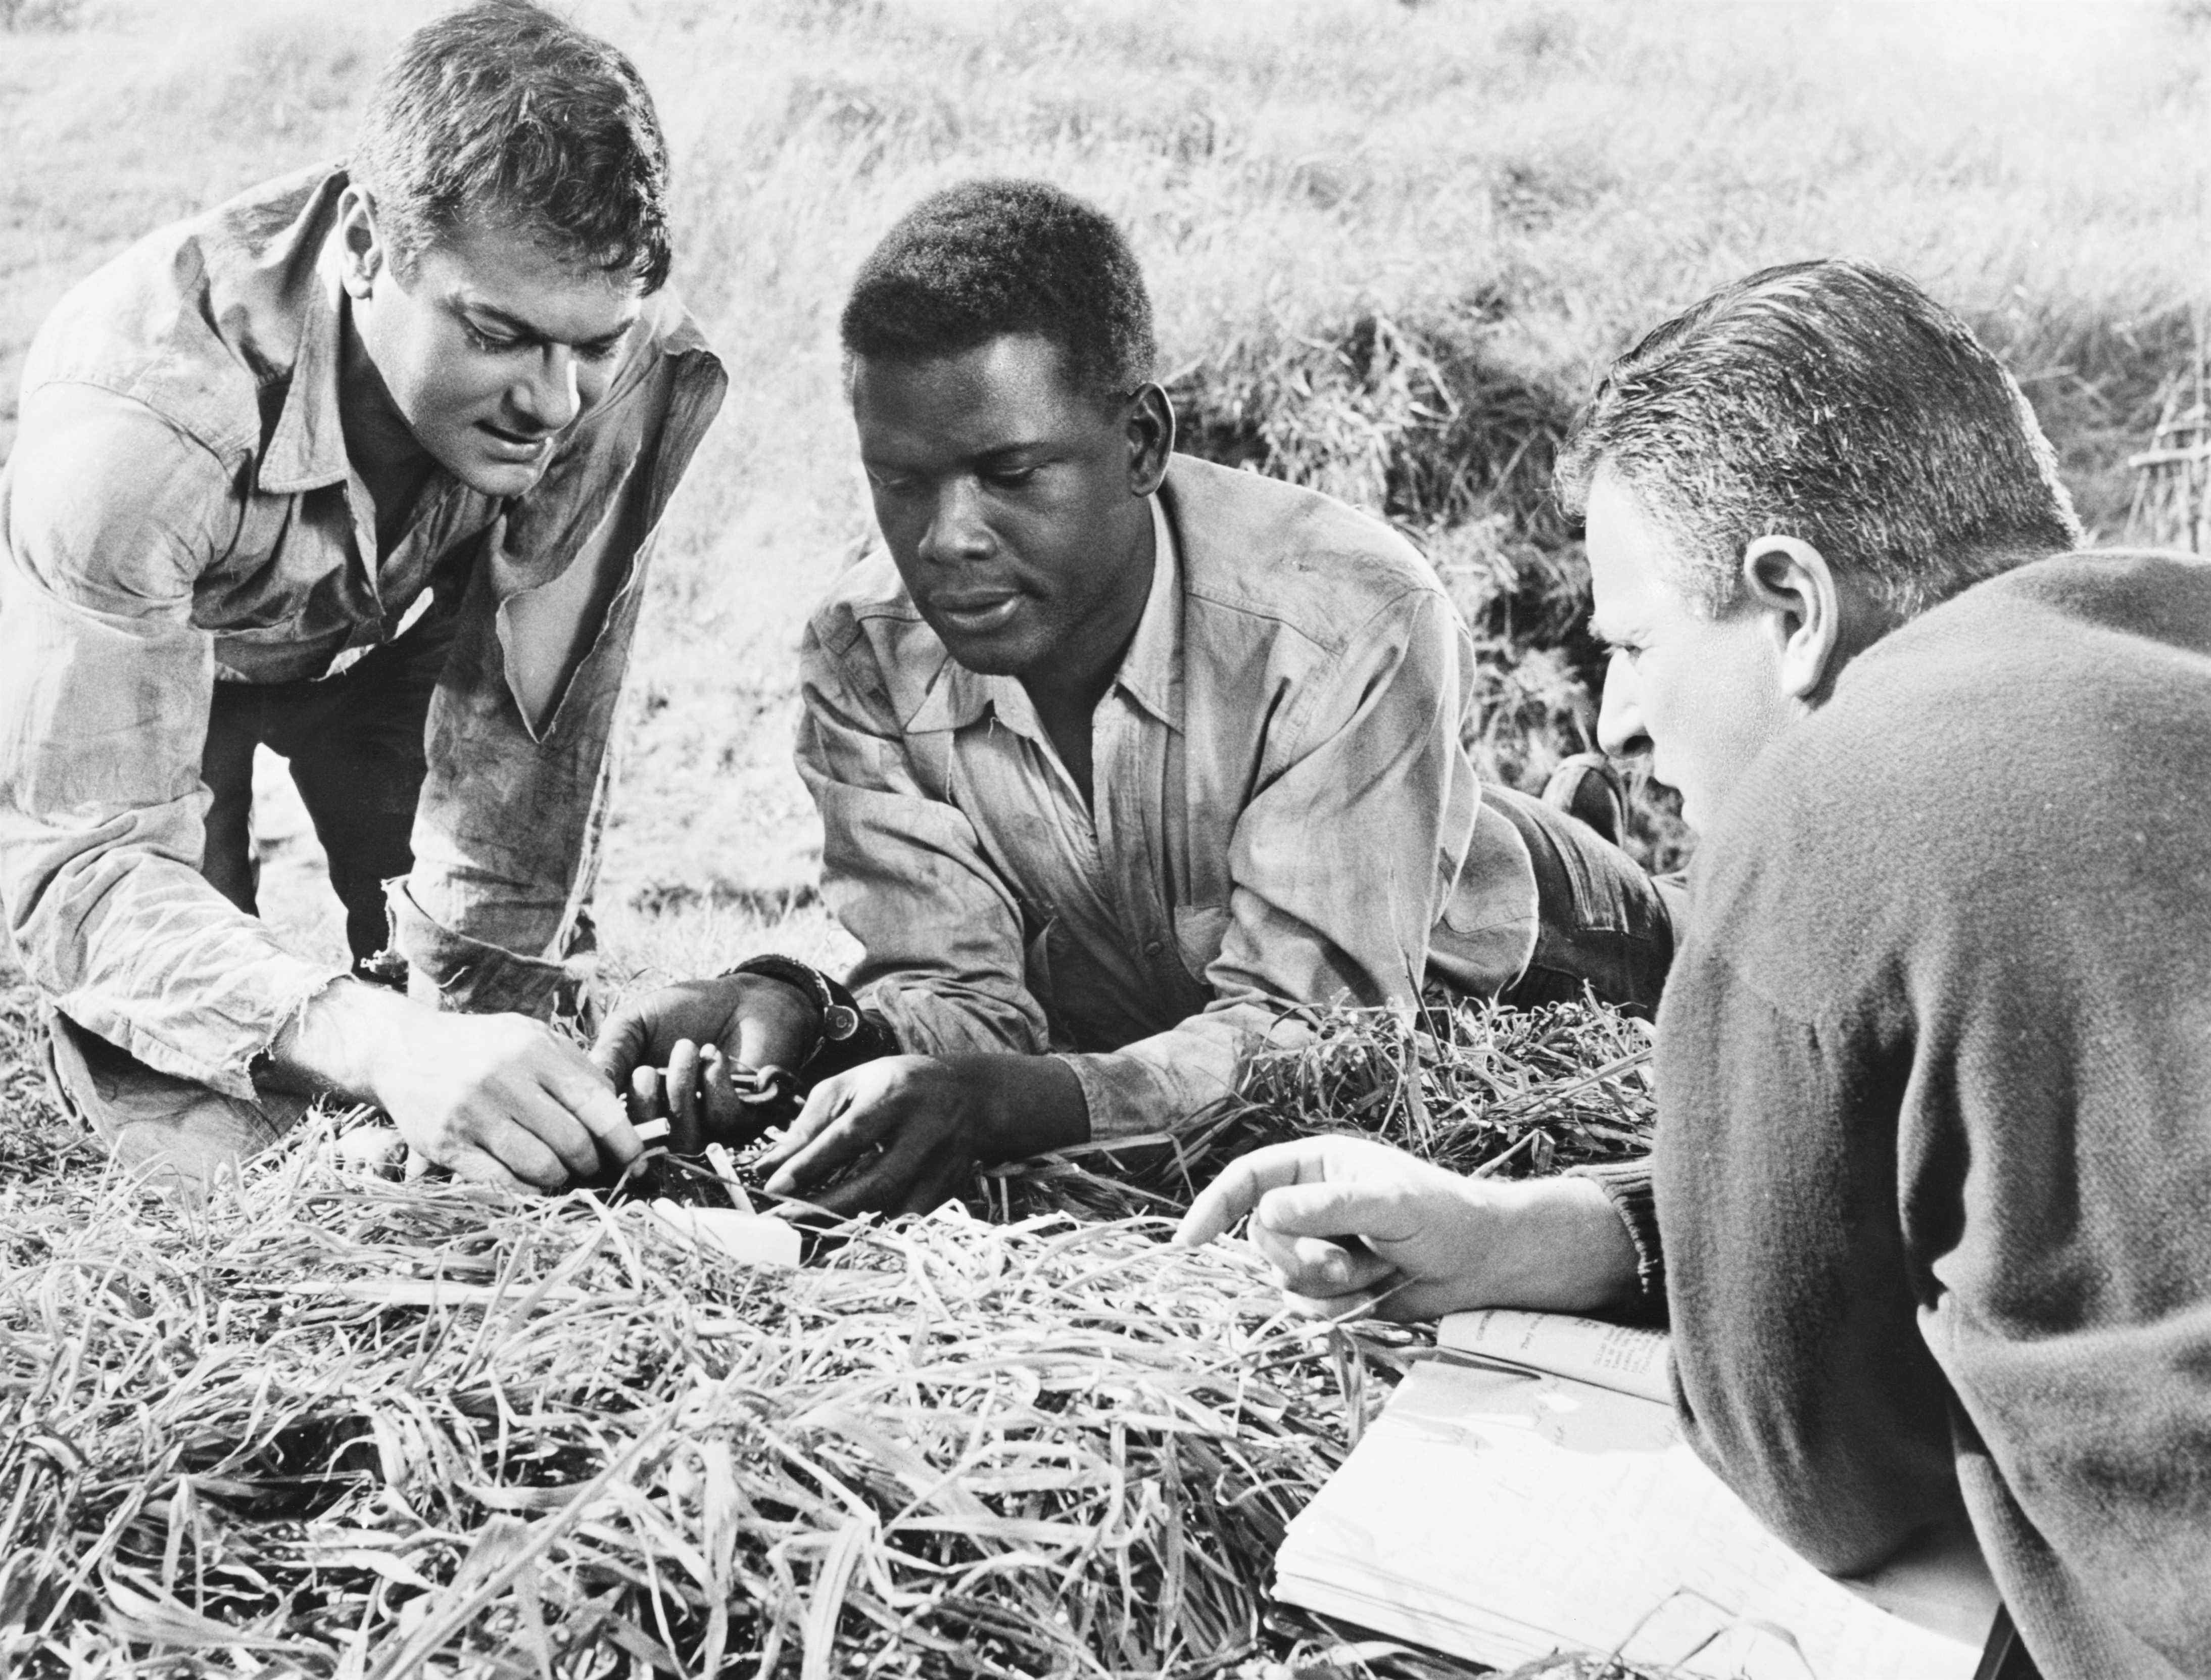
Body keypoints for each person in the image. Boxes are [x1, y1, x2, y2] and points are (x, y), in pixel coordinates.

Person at [1177, 259, 2211, 1679]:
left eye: (1634, 644)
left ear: (1793, 603)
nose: (1616, 726)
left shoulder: (1833, 798)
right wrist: (1537, 1227)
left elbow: (1824, 1476)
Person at [593, 179, 1671, 1215]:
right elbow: (965, 996)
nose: (946, 537)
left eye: (1011, 474)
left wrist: (1024, 1106)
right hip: (1168, 981)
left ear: (1142, 444)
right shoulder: (863, 652)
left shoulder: (1349, 613)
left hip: (1508, 940)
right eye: (902, 479)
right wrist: (803, 1013)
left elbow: (1318, 1043)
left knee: (1673, 945)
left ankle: (1581, 828)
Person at [0, 1, 726, 1189]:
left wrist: (490, 1054)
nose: (553, 401)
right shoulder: (136, 431)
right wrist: (385, 1044)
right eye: (496, 333)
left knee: (501, 1119)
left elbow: (527, 755)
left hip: (393, 650)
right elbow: (78, 874)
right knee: (206, 1128)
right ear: (365, 245)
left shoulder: (616, 362)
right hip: (172, 674)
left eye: (588, 346)